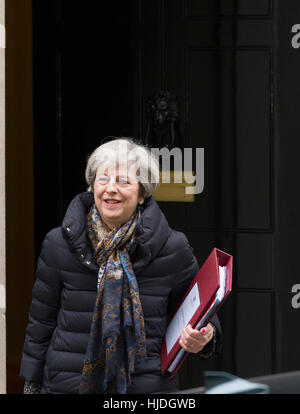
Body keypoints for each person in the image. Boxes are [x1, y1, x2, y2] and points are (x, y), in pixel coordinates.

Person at [20, 138, 221, 394]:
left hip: (145, 388)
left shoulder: (172, 248)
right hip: (67, 385)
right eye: (103, 179)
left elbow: (203, 308)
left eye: (123, 181)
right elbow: (41, 322)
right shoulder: (58, 244)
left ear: (142, 194)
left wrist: (206, 335)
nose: (111, 189)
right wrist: (31, 385)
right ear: (92, 186)